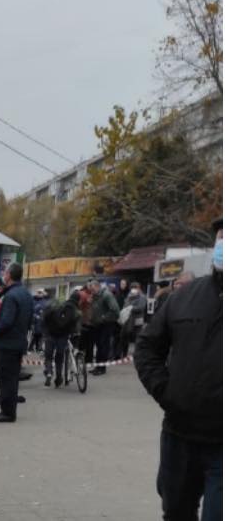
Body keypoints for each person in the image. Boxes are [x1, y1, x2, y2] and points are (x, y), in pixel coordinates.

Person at [134, 219, 222, 521]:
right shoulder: (184, 297)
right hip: (179, 435)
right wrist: (165, 391)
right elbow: (147, 348)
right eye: (222, 237)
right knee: (176, 512)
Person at [0, 263, 33, 423]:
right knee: (13, 379)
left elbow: (6, 321)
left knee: (6, 379)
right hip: (19, 341)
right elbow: (29, 320)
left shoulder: (11, 296)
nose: (4, 275)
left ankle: (7, 412)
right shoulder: (26, 294)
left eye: (5, 273)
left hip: (7, 343)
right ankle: (9, 411)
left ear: (8, 275)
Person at [42, 291, 81, 388]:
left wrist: (45, 333)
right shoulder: (70, 309)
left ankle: (49, 372)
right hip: (62, 336)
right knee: (59, 357)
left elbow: (43, 322)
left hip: (50, 335)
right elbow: (73, 322)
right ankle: (58, 378)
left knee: (48, 356)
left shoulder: (49, 310)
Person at [88, 279, 119, 376]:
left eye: (92, 289)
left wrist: (103, 318)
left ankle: (102, 368)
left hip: (105, 325)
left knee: (103, 346)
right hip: (97, 325)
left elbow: (115, 310)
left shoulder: (107, 295)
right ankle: (98, 366)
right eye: (90, 290)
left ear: (97, 286)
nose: (91, 291)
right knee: (98, 346)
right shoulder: (95, 296)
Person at [119, 281, 146, 359]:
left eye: (135, 288)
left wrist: (130, 308)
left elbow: (141, 307)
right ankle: (124, 354)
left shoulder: (142, 297)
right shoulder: (129, 296)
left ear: (139, 288)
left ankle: (137, 354)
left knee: (137, 338)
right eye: (132, 288)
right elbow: (125, 305)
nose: (133, 289)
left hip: (137, 320)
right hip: (128, 320)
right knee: (124, 337)